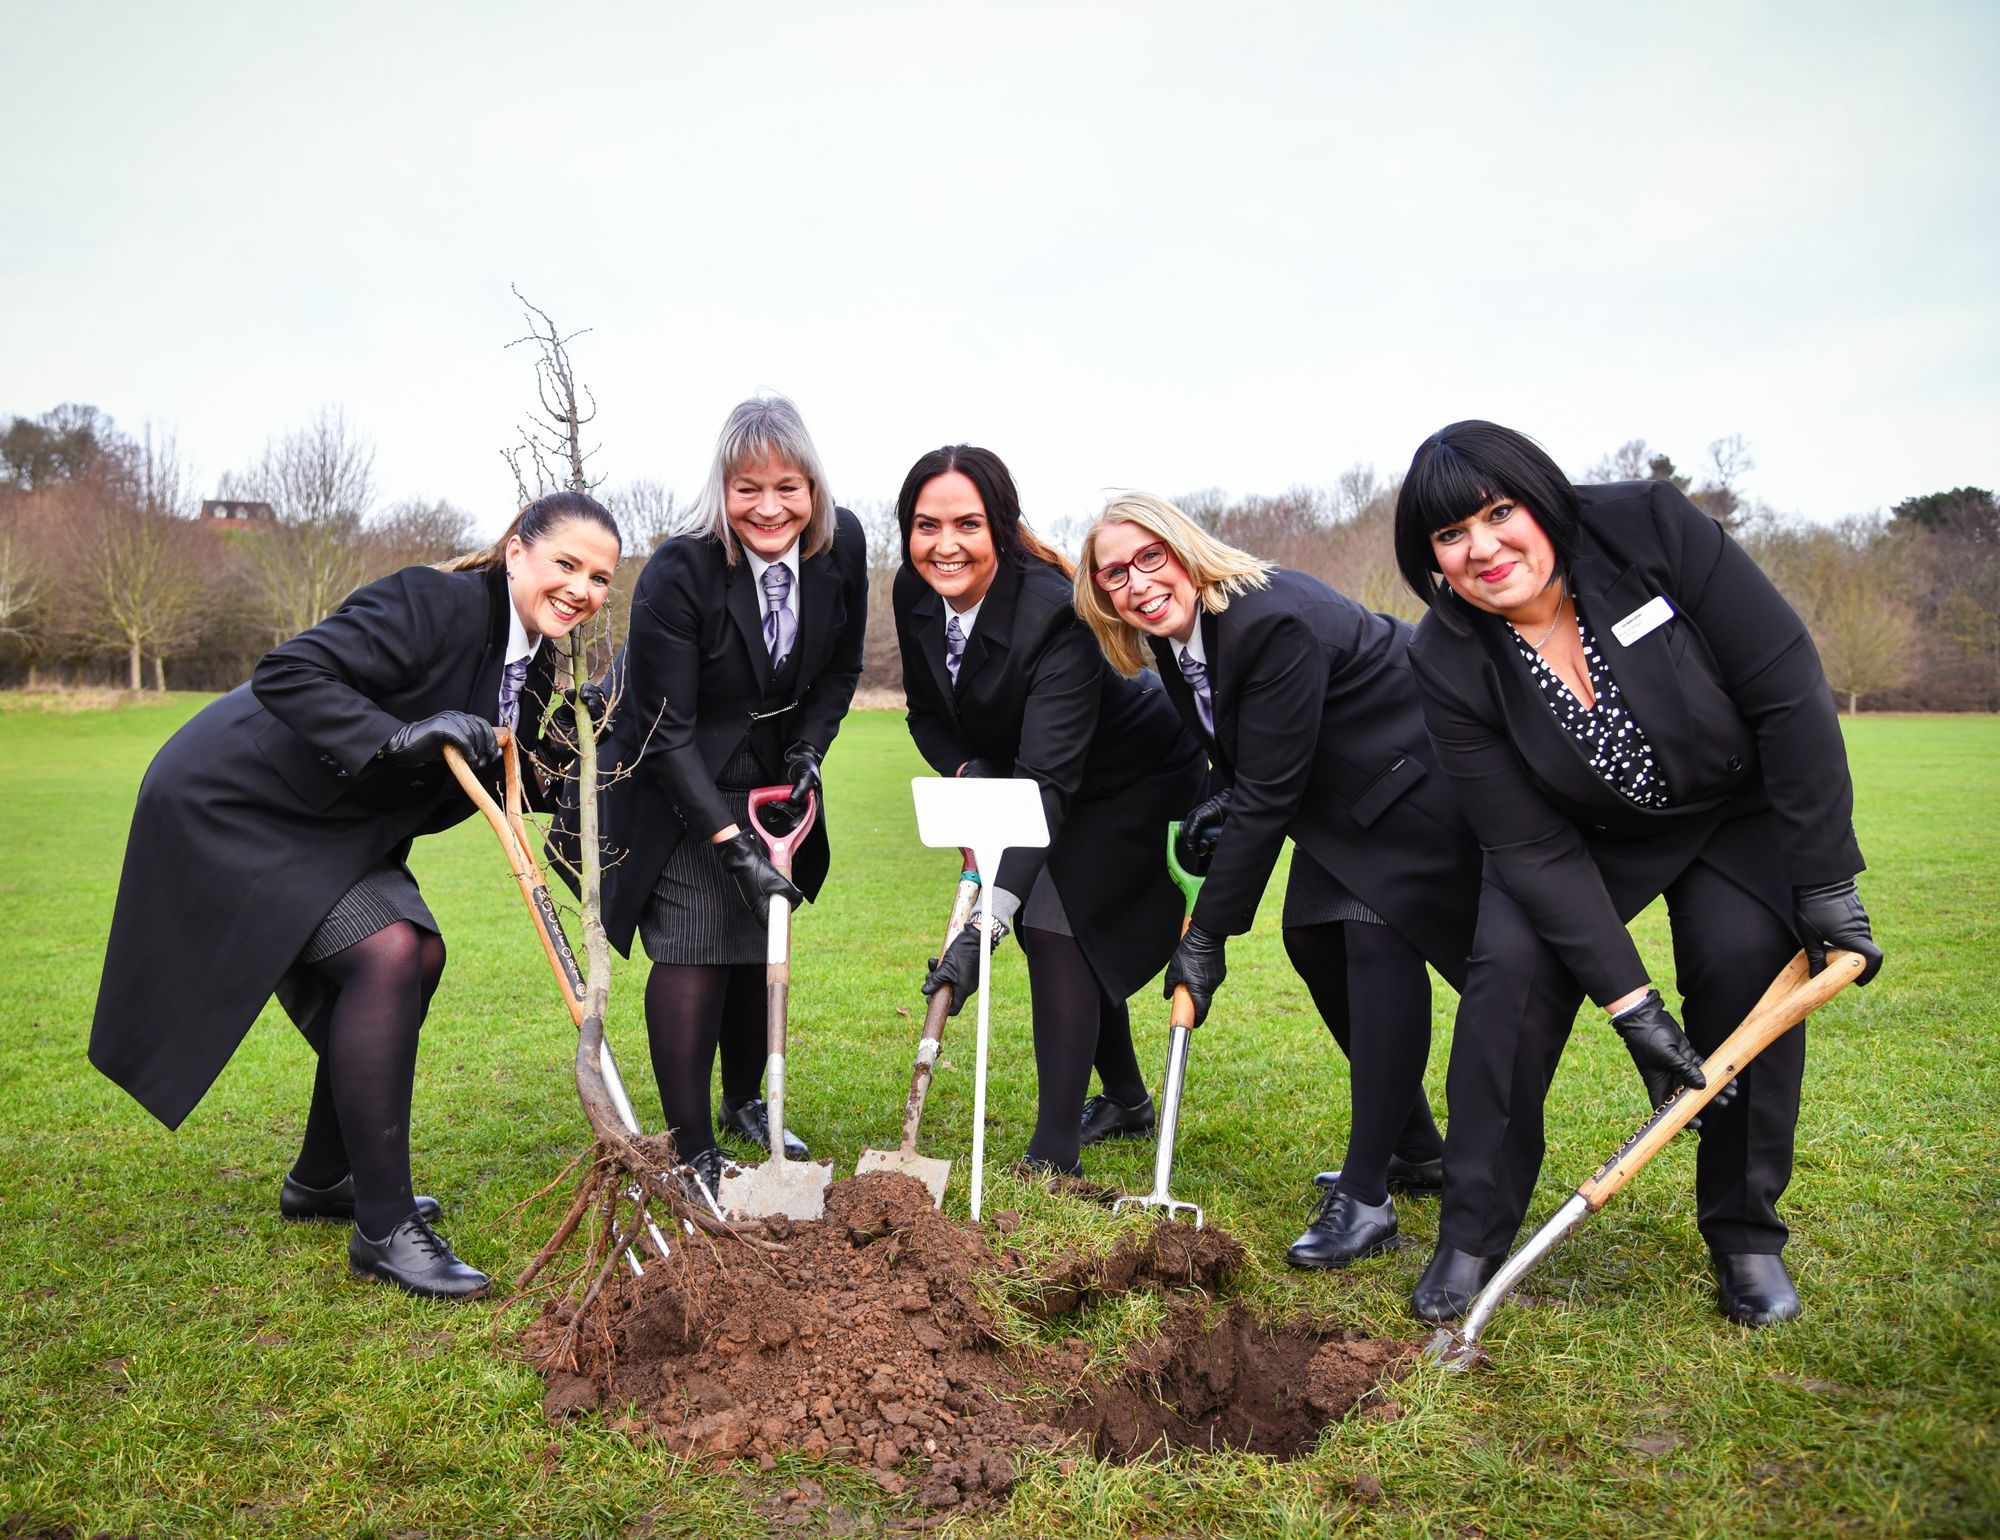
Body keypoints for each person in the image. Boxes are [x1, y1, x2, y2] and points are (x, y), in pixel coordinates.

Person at [1392, 420, 1884, 1326]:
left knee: (1742, 967)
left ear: (1541, 501)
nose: (1483, 549)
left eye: (1499, 514)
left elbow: (1786, 686)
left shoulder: (1649, 527)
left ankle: (1745, 1235)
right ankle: (1471, 1234)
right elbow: (1529, 846)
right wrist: (1635, 1010)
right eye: (1451, 535)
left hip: (1732, 810)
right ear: (1432, 560)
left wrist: (1823, 879)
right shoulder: (1446, 655)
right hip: (1579, 840)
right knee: (1506, 986)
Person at [90, 490, 623, 1299]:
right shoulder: (434, 600)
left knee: (420, 953)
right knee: (390, 950)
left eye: (600, 578)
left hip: (329, 823)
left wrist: (569, 762)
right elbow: (288, 672)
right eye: (567, 564)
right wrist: (399, 736)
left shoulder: (534, 659)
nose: (581, 589)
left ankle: (323, 1177)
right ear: (517, 551)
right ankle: (384, 1227)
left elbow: (482, 760)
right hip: (238, 801)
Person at [1073, 492, 1482, 1265]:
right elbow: (1247, 746)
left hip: (1416, 778)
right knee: (1312, 941)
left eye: (1150, 557)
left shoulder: (1267, 620)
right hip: (1346, 796)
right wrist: (1217, 795)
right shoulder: (1177, 637)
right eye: (1114, 573)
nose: (1137, 583)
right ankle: (1418, 1149)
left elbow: (1269, 796)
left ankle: (1367, 1196)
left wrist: (1207, 937)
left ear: (1185, 550)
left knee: (1370, 942)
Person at [569, 396, 866, 1198]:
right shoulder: (681, 571)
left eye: (787, 487)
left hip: (770, 779)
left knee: (754, 942)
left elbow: (839, 670)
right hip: (672, 778)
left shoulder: (842, 548)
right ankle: (690, 1145)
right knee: (695, 948)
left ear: (813, 488)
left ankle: (742, 1102)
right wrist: (731, 848)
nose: (769, 508)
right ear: (721, 489)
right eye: (747, 488)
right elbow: (666, 733)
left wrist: (808, 749)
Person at [897, 449, 1204, 1177]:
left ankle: (1053, 1152)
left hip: (1137, 775)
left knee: (1051, 923)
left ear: (1001, 528)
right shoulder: (915, 593)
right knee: (1062, 927)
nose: (945, 545)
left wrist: (986, 926)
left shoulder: (1053, 612)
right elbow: (925, 715)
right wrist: (972, 777)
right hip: (1042, 775)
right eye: (926, 525)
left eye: (968, 524)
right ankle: (1126, 1099)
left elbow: (1045, 789)